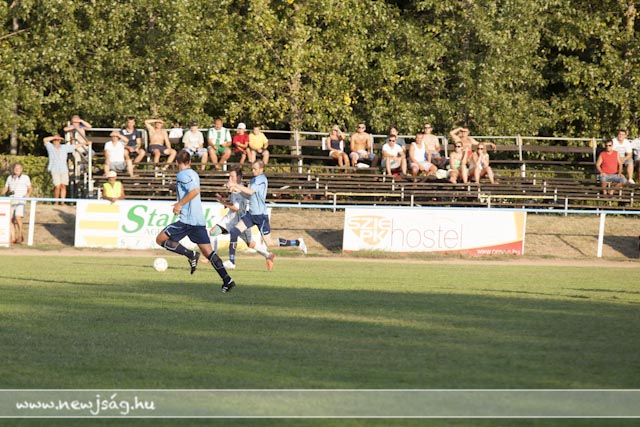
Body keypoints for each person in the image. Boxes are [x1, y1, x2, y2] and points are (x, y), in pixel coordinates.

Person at [155, 150, 235, 293]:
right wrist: (175, 187)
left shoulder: (181, 175)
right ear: (190, 162)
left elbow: (194, 191)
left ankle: (190, 254)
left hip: (187, 220)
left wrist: (179, 204)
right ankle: (227, 280)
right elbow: (190, 188)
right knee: (209, 252)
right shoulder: (194, 174)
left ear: (176, 162)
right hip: (198, 220)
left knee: (160, 239)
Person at [226, 160, 307, 270]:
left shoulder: (261, 179)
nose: (253, 171)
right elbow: (250, 196)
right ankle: (231, 262)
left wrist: (235, 185)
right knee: (234, 231)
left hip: (261, 216)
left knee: (270, 243)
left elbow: (251, 192)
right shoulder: (254, 180)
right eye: (252, 169)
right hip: (251, 214)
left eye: (255, 169)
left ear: (261, 169)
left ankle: (297, 242)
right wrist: (238, 191)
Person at [209, 168, 273, 270]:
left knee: (250, 244)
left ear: (238, 177)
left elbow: (236, 207)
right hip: (230, 220)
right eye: (229, 176)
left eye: (232, 176)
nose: (230, 178)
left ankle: (268, 255)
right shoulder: (236, 188)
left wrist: (222, 202)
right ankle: (212, 258)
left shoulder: (241, 189)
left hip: (239, 220)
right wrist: (225, 201)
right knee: (213, 232)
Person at [44, 133, 83, 204]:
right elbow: (45, 140)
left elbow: (75, 146)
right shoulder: (50, 147)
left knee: (63, 186)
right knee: (57, 186)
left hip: (64, 169)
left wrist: (85, 143)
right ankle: (56, 201)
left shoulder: (64, 147)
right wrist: (54, 137)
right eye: (55, 140)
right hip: (54, 169)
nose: (56, 141)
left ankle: (62, 202)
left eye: (57, 140)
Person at [1, 162, 32, 244]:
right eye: (15, 168)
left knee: (18, 217)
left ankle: (20, 235)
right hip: (11, 200)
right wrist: (2, 192)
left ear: (22, 169)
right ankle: (13, 238)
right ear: (13, 169)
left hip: (21, 200)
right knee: (10, 219)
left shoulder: (25, 177)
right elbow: (6, 188)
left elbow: (30, 188)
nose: (17, 170)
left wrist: (28, 194)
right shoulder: (9, 177)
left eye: (19, 168)